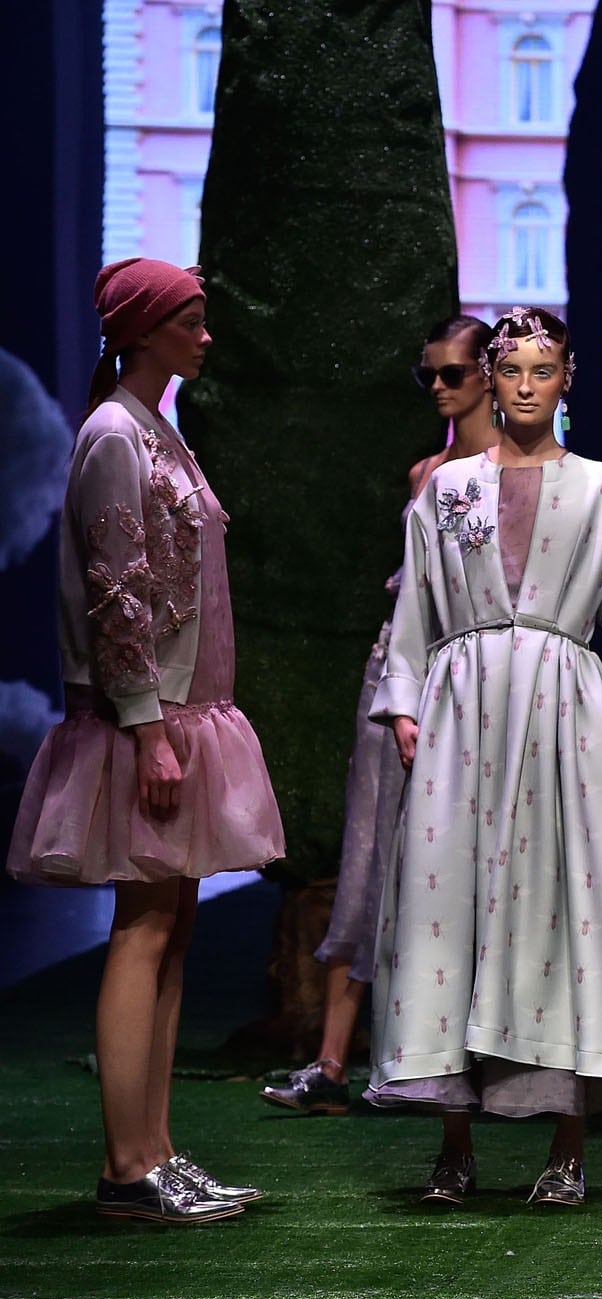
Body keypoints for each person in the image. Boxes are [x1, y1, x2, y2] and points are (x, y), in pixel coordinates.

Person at [367, 306, 602, 1207]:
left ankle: (568, 1145)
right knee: (448, 904)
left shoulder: (600, 488)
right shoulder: (450, 488)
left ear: (567, 377)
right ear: (493, 380)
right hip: (463, 708)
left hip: (564, 710)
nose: (527, 385)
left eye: (544, 369)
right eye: (511, 371)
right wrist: (404, 707)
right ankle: (454, 1145)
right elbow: (416, 610)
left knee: (567, 907)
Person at [10, 258, 284, 1222]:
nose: (205, 335)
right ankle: (128, 1163)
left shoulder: (157, 428)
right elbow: (115, 588)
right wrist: (147, 726)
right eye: (191, 320)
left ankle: (156, 1149)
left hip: (181, 708)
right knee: (144, 928)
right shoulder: (115, 434)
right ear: (144, 328)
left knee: (172, 927)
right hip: (148, 716)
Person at [261, 314, 499, 1116]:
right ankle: (331, 1061)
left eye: (453, 372)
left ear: (491, 375)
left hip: (477, 679)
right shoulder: (424, 472)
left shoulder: (523, 474)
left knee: (475, 856)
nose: (438, 385)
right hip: (398, 672)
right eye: (427, 374)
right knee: (370, 852)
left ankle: (473, 1057)